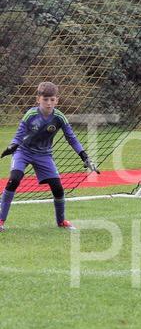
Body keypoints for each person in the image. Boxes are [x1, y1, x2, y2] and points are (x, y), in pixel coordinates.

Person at [0, 82, 98, 232]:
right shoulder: (31, 115)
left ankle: (61, 222)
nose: (49, 103)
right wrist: (12, 146)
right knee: (14, 180)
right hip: (23, 152)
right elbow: (19, 135)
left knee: (58, 188)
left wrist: (84, 156)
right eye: (45, 99)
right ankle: (1, 220)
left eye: (52, 99)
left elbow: (72, 139)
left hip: (44, 155)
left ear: (57, 100)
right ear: (38, 99)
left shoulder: (59, 117)